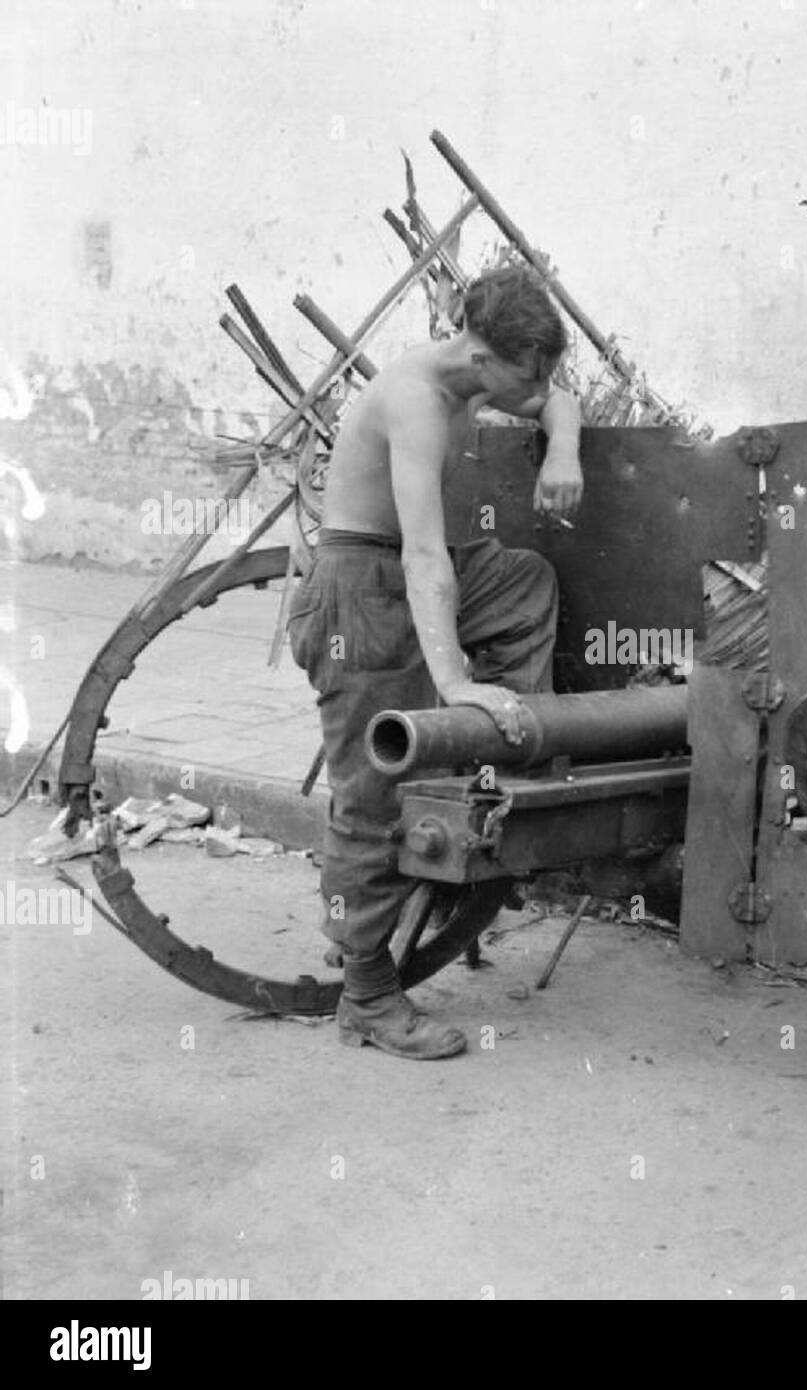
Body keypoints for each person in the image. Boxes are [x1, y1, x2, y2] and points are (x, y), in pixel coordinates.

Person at [288, 267, 583, 1059]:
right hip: (362, 589)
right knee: (371, 794)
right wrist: (454, 681)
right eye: (529, 372)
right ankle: (367, 998)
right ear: (483, 358)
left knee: (522, 581)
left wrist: (564, 445)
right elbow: (423, 556)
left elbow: (559, 399)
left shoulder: (472, 381)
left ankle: (510, 745)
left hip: (409, 570)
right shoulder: (417, 400)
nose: (540, 384)